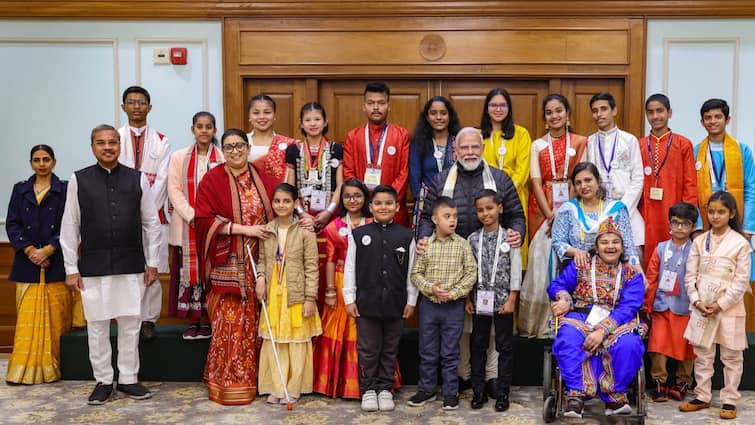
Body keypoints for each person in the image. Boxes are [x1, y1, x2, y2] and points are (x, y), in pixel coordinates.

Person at [417, 127, 524, 399]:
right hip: (450, 263)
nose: (469, 152)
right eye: (464, 148)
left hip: (491, 264)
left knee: (488, 323)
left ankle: (490, 376)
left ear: (483, 148)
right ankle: (463, 374)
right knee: (461, 324)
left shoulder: (499, 179)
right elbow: (427, 217)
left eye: (474, 147)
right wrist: (422, 239)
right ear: (456, 151)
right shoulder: (441, 180)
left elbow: (516, 215)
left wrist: (517, 233)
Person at [60, 124, 161, 404]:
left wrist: (152, 262)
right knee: (98, 325)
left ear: (120, 146)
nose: (107, 147)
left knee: (131, 324)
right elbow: (70, 225)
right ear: (92, 146)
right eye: (101, 142)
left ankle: (128, 378)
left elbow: (152, 223)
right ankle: (103, 380)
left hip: (132, 264)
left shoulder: (137, 179)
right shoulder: (78, 179)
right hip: (94, 265)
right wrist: (71, 267)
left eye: (113, 142)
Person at [194, 128, 274, 405]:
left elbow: (280, 206)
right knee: (230, 325)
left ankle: (259, 381)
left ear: (248, 147)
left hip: (261, 262)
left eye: (240, 145)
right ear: (222, 151)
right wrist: (244, 229)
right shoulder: (212, 179)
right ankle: (228, 384)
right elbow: (203, 219)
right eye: (229, 147)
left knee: (255, 322)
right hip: (228, 262)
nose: (235, 151)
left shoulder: (262, 176)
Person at [548, 217, 645, 418]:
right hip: (581, 317)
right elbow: (557, 285)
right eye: (605, 242)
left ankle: (615, 396)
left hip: (617, 321)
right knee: (567, 338)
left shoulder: (632, 275)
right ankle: (576, 395)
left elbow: (630, 306)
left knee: (629, 345)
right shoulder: (581, 266)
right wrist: (564, 298)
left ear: (622, 246)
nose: (610, 246)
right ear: (596, 246)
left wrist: (602, 330)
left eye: (615, 242)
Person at [343, 185, 418, 412]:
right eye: (378, 203)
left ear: (397, 207)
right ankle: (368, 389)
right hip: (366, 302)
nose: (383, 207)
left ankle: (385, 389)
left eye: (388, 203)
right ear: (371, 207)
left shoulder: (406, 236)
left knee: (389, 347)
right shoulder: (359, 235)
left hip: (396, 303)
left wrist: (411, 300)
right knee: (368, 348)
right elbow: (350, 267)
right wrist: (349, 297)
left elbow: (411, 271)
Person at [520, 94, 587, 338]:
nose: (554, 116)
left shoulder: (581, 142)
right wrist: (550, 215)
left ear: (567, 114)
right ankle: (539, 327)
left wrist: (564, 212)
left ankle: (568, 323)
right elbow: (535, 182)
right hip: (542, 211)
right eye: (549, 112)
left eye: (559, 111)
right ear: (545, 118)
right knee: (540, 264)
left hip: (571, 207)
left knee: (566, 264)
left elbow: (579, 178)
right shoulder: (537, 145)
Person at [680, 191, 751, 420]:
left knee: (731, 356)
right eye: (711, 211)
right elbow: (689, 276)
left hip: (729, 308)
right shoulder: (699, 241)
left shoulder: (740, 243)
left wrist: (721, 304)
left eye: (721, 211)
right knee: (702, 353)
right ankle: (702, 395)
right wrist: (696, 300)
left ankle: (729, 399)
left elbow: (741, 281)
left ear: (731, 214)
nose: (715, 216)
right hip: (702, 307)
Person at [5, 145, 69, 384]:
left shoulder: (64, 190)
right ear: (31, 163)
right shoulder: (20, 190)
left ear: (54, 161)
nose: (41, 163)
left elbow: (69, 224)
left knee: (53, 320)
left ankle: (51, 369)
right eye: (36, 160)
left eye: (46, 159)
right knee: (27, 319)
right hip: (27, 262)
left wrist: (49, 249)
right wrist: (32, 251)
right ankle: (22, 370)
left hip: (55, 260)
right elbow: (12, 224)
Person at [256, 183, 322, 405]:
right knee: (276, 340)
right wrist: (260, 279)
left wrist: (310, 298)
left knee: (295, 341)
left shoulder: (305, 232)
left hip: (296, 292)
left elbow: (312, 267)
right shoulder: (267, 230)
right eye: (277, 201)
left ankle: (293, 387)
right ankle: (276, 385)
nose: (281, 205)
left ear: (296, 204)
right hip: (274, 290)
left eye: (286, 201)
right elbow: (263, 260)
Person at [408, 197, 476, 410]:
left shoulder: (463, 245)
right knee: (427, 350)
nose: (452, 220)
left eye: (455, 216)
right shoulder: (426, 245)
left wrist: (455, 292)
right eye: (447, 216)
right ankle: (426, 389)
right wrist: (430, 288)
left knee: (450, 352)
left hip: (453, 307)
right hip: (429, 306)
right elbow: (415, 273)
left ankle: (450, 392)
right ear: (435, 219)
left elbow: (471, 273)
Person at [693, 98, 755, 332]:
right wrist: (698, 226)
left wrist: (747, 228)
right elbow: (691, 191)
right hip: (707, 226)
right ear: (702, 122)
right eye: (708, 117)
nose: (713, 121)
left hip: (736, 227)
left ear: (727, 119)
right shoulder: (697, 151)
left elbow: (751, 188)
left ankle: (734, 333)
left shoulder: (741, 150)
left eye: (717, 117)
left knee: (736, 276)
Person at [118, 85, 171, 340]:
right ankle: (129, 317)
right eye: (131, 102)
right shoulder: (113, 138)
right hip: (121, 217)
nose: (136, 106)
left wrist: (147, 209)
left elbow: (162, 180)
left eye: (141, 102)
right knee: (127, 269)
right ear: (123, 107)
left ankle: (148, 319)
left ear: (149, 107)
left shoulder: (162, 141)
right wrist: (127, 211)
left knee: (152, 267)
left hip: (153, 215)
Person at [313, 178, 373, 399]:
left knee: (366, 331)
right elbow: (329, 260)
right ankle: (335, 384)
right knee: (336, 329)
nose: (352, 200)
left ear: (365, 198)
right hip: (339, 283)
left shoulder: (373, 223)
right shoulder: (333, 227)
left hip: (366, 284)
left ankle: (368, 382)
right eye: (347, 196)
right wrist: (329, 290)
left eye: (357, 196)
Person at [167, 111, 224, 340]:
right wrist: (193, 216)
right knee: (188, 272)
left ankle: (210, 320)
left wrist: (207, 220)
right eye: (199, 126)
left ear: (214, 130)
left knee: (211, 273)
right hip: (186, 225)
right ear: (192, 129)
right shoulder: (179, 156)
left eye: (208, 126)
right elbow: (174, 189)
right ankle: (193, 321)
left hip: (212, 226)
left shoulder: (222, 156)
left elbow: (223, 191)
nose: (204, 130)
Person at [467, 190, 522, 412]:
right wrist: (467, 299)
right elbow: (470, 271)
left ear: (499, 208)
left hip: (503, 302)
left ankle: (502, 393)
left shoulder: (510, 237)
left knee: (504, 347)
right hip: (480, 301)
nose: (485, 213)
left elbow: (516, 270)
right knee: (478, 345)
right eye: (480, 210)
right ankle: (478, 391)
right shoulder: (472, 239)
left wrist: (512, 299)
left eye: (489, 208)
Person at [286, 102, 343, 309]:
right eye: (308, 120)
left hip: (330, 219)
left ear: (325, 121)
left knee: (328, 264)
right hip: (302, 219)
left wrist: (328, 212)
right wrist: (302, 214)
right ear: (301, 124)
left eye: (317, 119)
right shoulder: (294, 150)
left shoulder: (336, 149)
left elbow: (341, 184)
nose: (313, 123)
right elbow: (289, 186)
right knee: (305, 266)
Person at [644, 202, 697, 402]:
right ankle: (659, 381)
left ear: (693, 227)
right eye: (676, 223)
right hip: (661, 304)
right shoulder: (660, 248)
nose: (680, 228)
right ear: (669, 224)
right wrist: (647, 305)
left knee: (687, 346)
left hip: (686, 306)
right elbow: (651, 277)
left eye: (685, 224)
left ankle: (683, 381)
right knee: (657, 344)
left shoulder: (695, 250)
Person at [583, 92, 644, 265]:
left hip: (627, 207)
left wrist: (622, 207)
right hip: (598, 208)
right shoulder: (590, 142)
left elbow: (638, 178)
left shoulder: (629, 140)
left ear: (614, 110)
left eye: (603, 109)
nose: (599, 114)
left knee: (635, 253)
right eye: (595, 111)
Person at [639, 94, 698, 268]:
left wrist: (687, 217)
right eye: (650, 112)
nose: (655, 116)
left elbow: (690, 183)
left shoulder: (683, 144)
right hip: (646, 212)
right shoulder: (640, 145)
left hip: (675, 211)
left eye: (660, 111)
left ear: (669, 113)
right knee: (649, 259)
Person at [343, 82, 411, 226]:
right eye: (370, 103)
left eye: (381, 103)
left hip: (393, 210)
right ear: (364, 106)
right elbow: (348, 173)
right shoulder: (353, 136)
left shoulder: (401, 135)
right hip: (362, 210)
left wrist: (384, 202)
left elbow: (404, 173)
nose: (375, 107)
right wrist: (364, 201)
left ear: (389, 105)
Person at [552, 162, 640, 270]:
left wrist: (639, 273)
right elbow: (558, 242)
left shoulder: (616, 209)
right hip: (577, 269)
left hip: (611, 271)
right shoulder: (568, 209)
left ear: (598, 181)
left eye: (588, 180)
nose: (583, 186)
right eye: (578, 183)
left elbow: (628, 246)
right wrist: (576, 252)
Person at [479, 87, 531, 268]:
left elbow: (523, 170)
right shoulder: (479, 136)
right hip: (485, 201)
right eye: (493, 105)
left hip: (514, 197)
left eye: (502, 105)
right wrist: (491, 198)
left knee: (514, 243)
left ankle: (515, 290)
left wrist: (503, 195)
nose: (498, 109)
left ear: (509, 108)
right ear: (487, 108)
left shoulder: (521, 134)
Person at [409, 96, 460, 233]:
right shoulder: (419, 143)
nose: (438, 117)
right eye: (433, 113)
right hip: (426, 202)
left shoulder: (459, 141)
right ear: (426, 117)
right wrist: (424, 202)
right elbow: (414, 177)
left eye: (443, 113)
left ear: (450, 116)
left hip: (455, 201)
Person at [247, 94, 297, 198]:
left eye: (267, 112)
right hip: (248, 198)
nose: (262, 117)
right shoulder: (243, 142)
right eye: (256, 113)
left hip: (278, 202)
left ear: (274, 115)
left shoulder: (287, 144)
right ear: (249, 116)